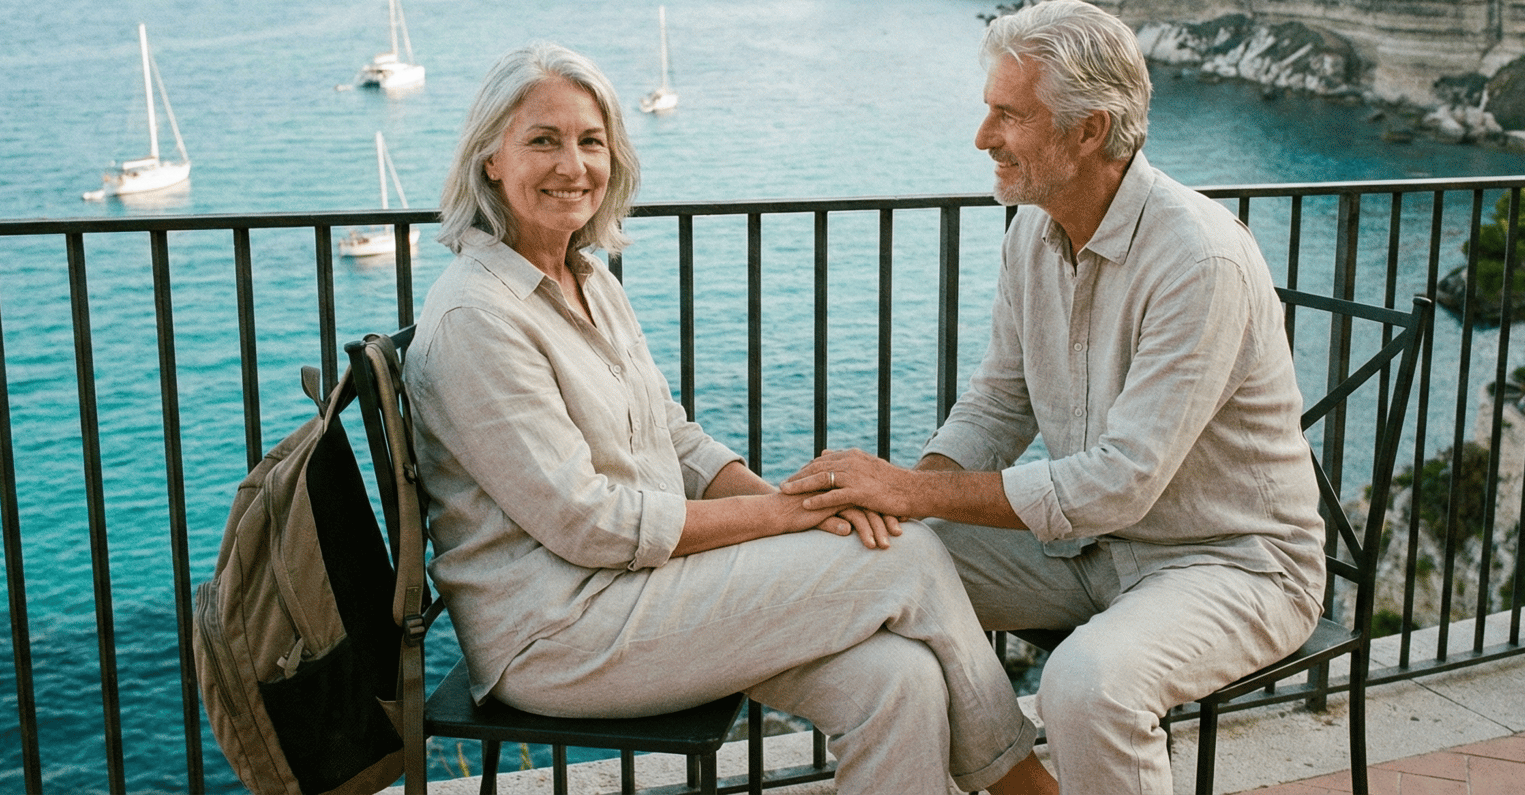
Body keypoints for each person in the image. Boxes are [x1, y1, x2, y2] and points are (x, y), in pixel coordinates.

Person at [403, 41, 1057, 795]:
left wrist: (805, 504)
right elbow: (593, 523)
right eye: (542, 141)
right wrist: (784, 516)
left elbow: (673, 438)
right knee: (907, 556)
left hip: (638, 592)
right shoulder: (478, 318)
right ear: (490, 159)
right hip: (560, 634)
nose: (573, 165)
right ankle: (1019, 781)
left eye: (591, 140)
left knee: (898, 677)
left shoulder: (586, 277)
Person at [781, 0, 1327, 794]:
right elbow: (999, 404)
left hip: (1231, 561)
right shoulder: (1033, 233)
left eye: (1009, 114)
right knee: (869, 564)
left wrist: (911, 486)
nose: (982, 137)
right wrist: (904, 505)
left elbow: (1119, 481)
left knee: (1086, 685)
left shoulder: (1198, 260)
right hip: (1092, 550)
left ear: (1088, 131)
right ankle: (1013, 776)